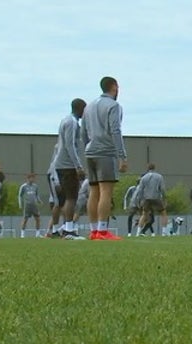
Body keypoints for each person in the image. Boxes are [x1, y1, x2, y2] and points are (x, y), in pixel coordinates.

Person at [83, 76, 127, 240]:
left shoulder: (89, 107)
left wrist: (89, 146)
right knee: (106, 191)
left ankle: (94, 230)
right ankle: (102, 230)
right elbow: (115, 130)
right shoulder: (114, 106)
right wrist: (122, 156)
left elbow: (83, 132)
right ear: (114, 87)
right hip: (105, 152)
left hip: (90, 152)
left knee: (93, 191)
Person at [52, 98, 87, 240]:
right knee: (71, 198)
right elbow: (70, 145)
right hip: (67, 165)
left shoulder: (64, 120)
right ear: (80, 109)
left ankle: (66, 228)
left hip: (61, 164)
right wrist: (78, 166)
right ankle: (69, 229)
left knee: (67, 198)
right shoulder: (72, 123)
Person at [135, 163, 168, 237]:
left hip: (146, 198)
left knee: (144, 215)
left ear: (148, 168)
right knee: (163, 214)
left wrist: (139, 200)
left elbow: (140, 190)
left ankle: (138, 232)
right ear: (154, 168)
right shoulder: (159, 177)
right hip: (156, 197)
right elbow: (162, 189)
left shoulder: (144, 178)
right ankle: (164, 232)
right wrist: (164, 198)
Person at [18, 173, 43, 238]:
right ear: (28, 178)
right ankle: (22, 234)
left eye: (34, 178)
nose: (33, 179)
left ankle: (37, 234)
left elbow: (36, 195)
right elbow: (20, 195)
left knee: (37, 219)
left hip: (34, 205)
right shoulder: (23, 186)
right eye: (32, 178)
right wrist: (20, 204)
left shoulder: (35, 186)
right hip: (27, 205)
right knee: (25, 219)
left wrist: (39, 201)